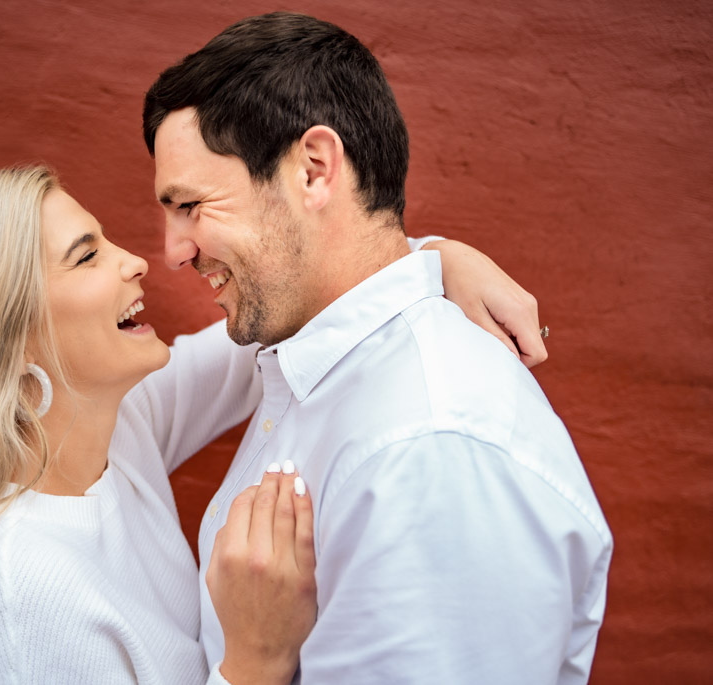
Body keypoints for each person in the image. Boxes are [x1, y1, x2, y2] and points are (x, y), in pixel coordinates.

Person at [0, 165, 550, 684]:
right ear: (3, 342)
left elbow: (294, 316)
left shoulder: (113, 425)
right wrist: (254, 662)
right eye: (86, 255)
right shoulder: (20, 599)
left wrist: (433, 258)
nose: (136, 262)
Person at [143, 11, 613, 684]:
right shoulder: (311, 367)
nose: (173, 251)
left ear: (312, 170)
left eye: (191, 205)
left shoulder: (427, 450)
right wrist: (432, 255)